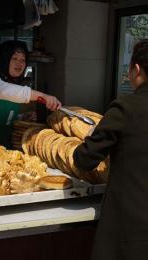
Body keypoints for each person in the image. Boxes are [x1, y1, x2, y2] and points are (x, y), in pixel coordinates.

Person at [73, 39, 148, 260]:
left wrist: (91, 134)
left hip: (129, 228)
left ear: (135, 69)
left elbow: (84, 159)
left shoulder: (126, 107)